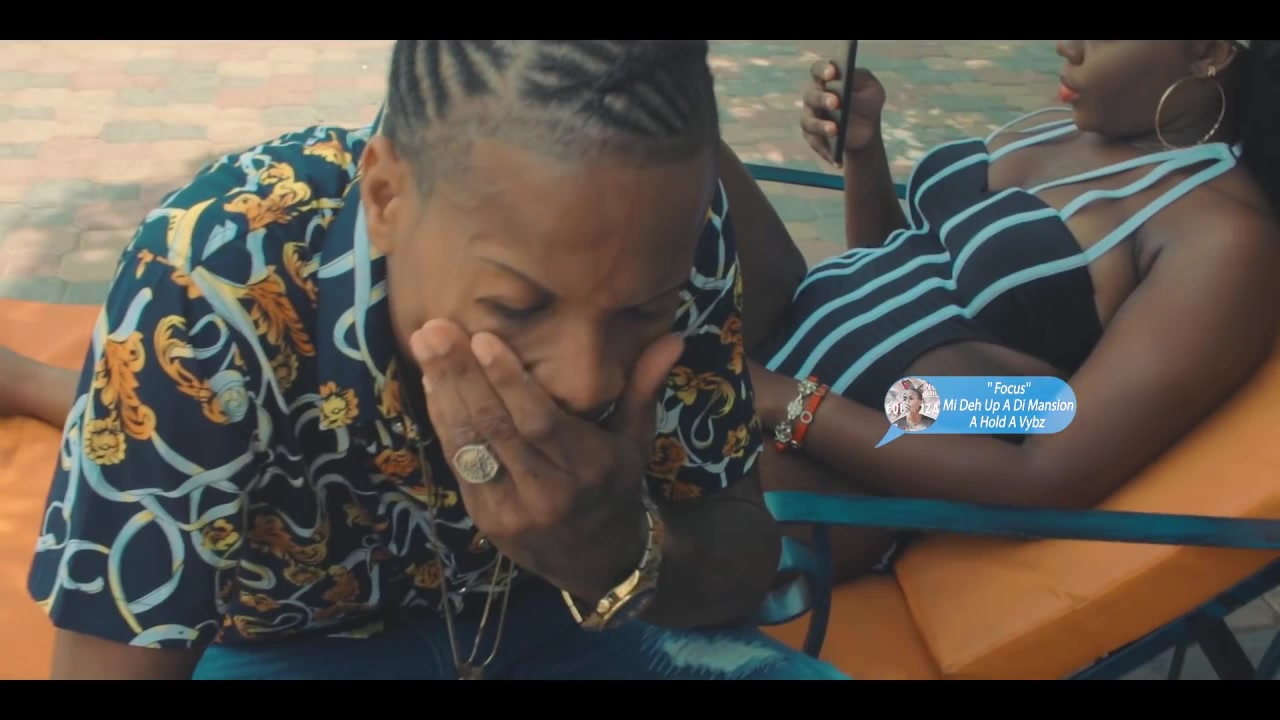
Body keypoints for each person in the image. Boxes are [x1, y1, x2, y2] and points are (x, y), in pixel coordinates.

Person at [11, 40, 845, 680]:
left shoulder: (673, 237)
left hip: (571, 615)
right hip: (295, 644)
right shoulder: (211, 279)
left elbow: (741, 552)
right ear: (386, 198)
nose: (588, 380)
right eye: (519, 307)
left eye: (642, 312)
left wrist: (616, 554)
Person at [746, 40, 1280, 581]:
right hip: (780, 348)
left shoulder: (1221, 238)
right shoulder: (1071, 123)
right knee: (691, 130)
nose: (1065, 45)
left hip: (835, 471)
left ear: (1210, 50)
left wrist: (786, 401)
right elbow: (910, 275)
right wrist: (865, 154)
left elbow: (1041, 474)